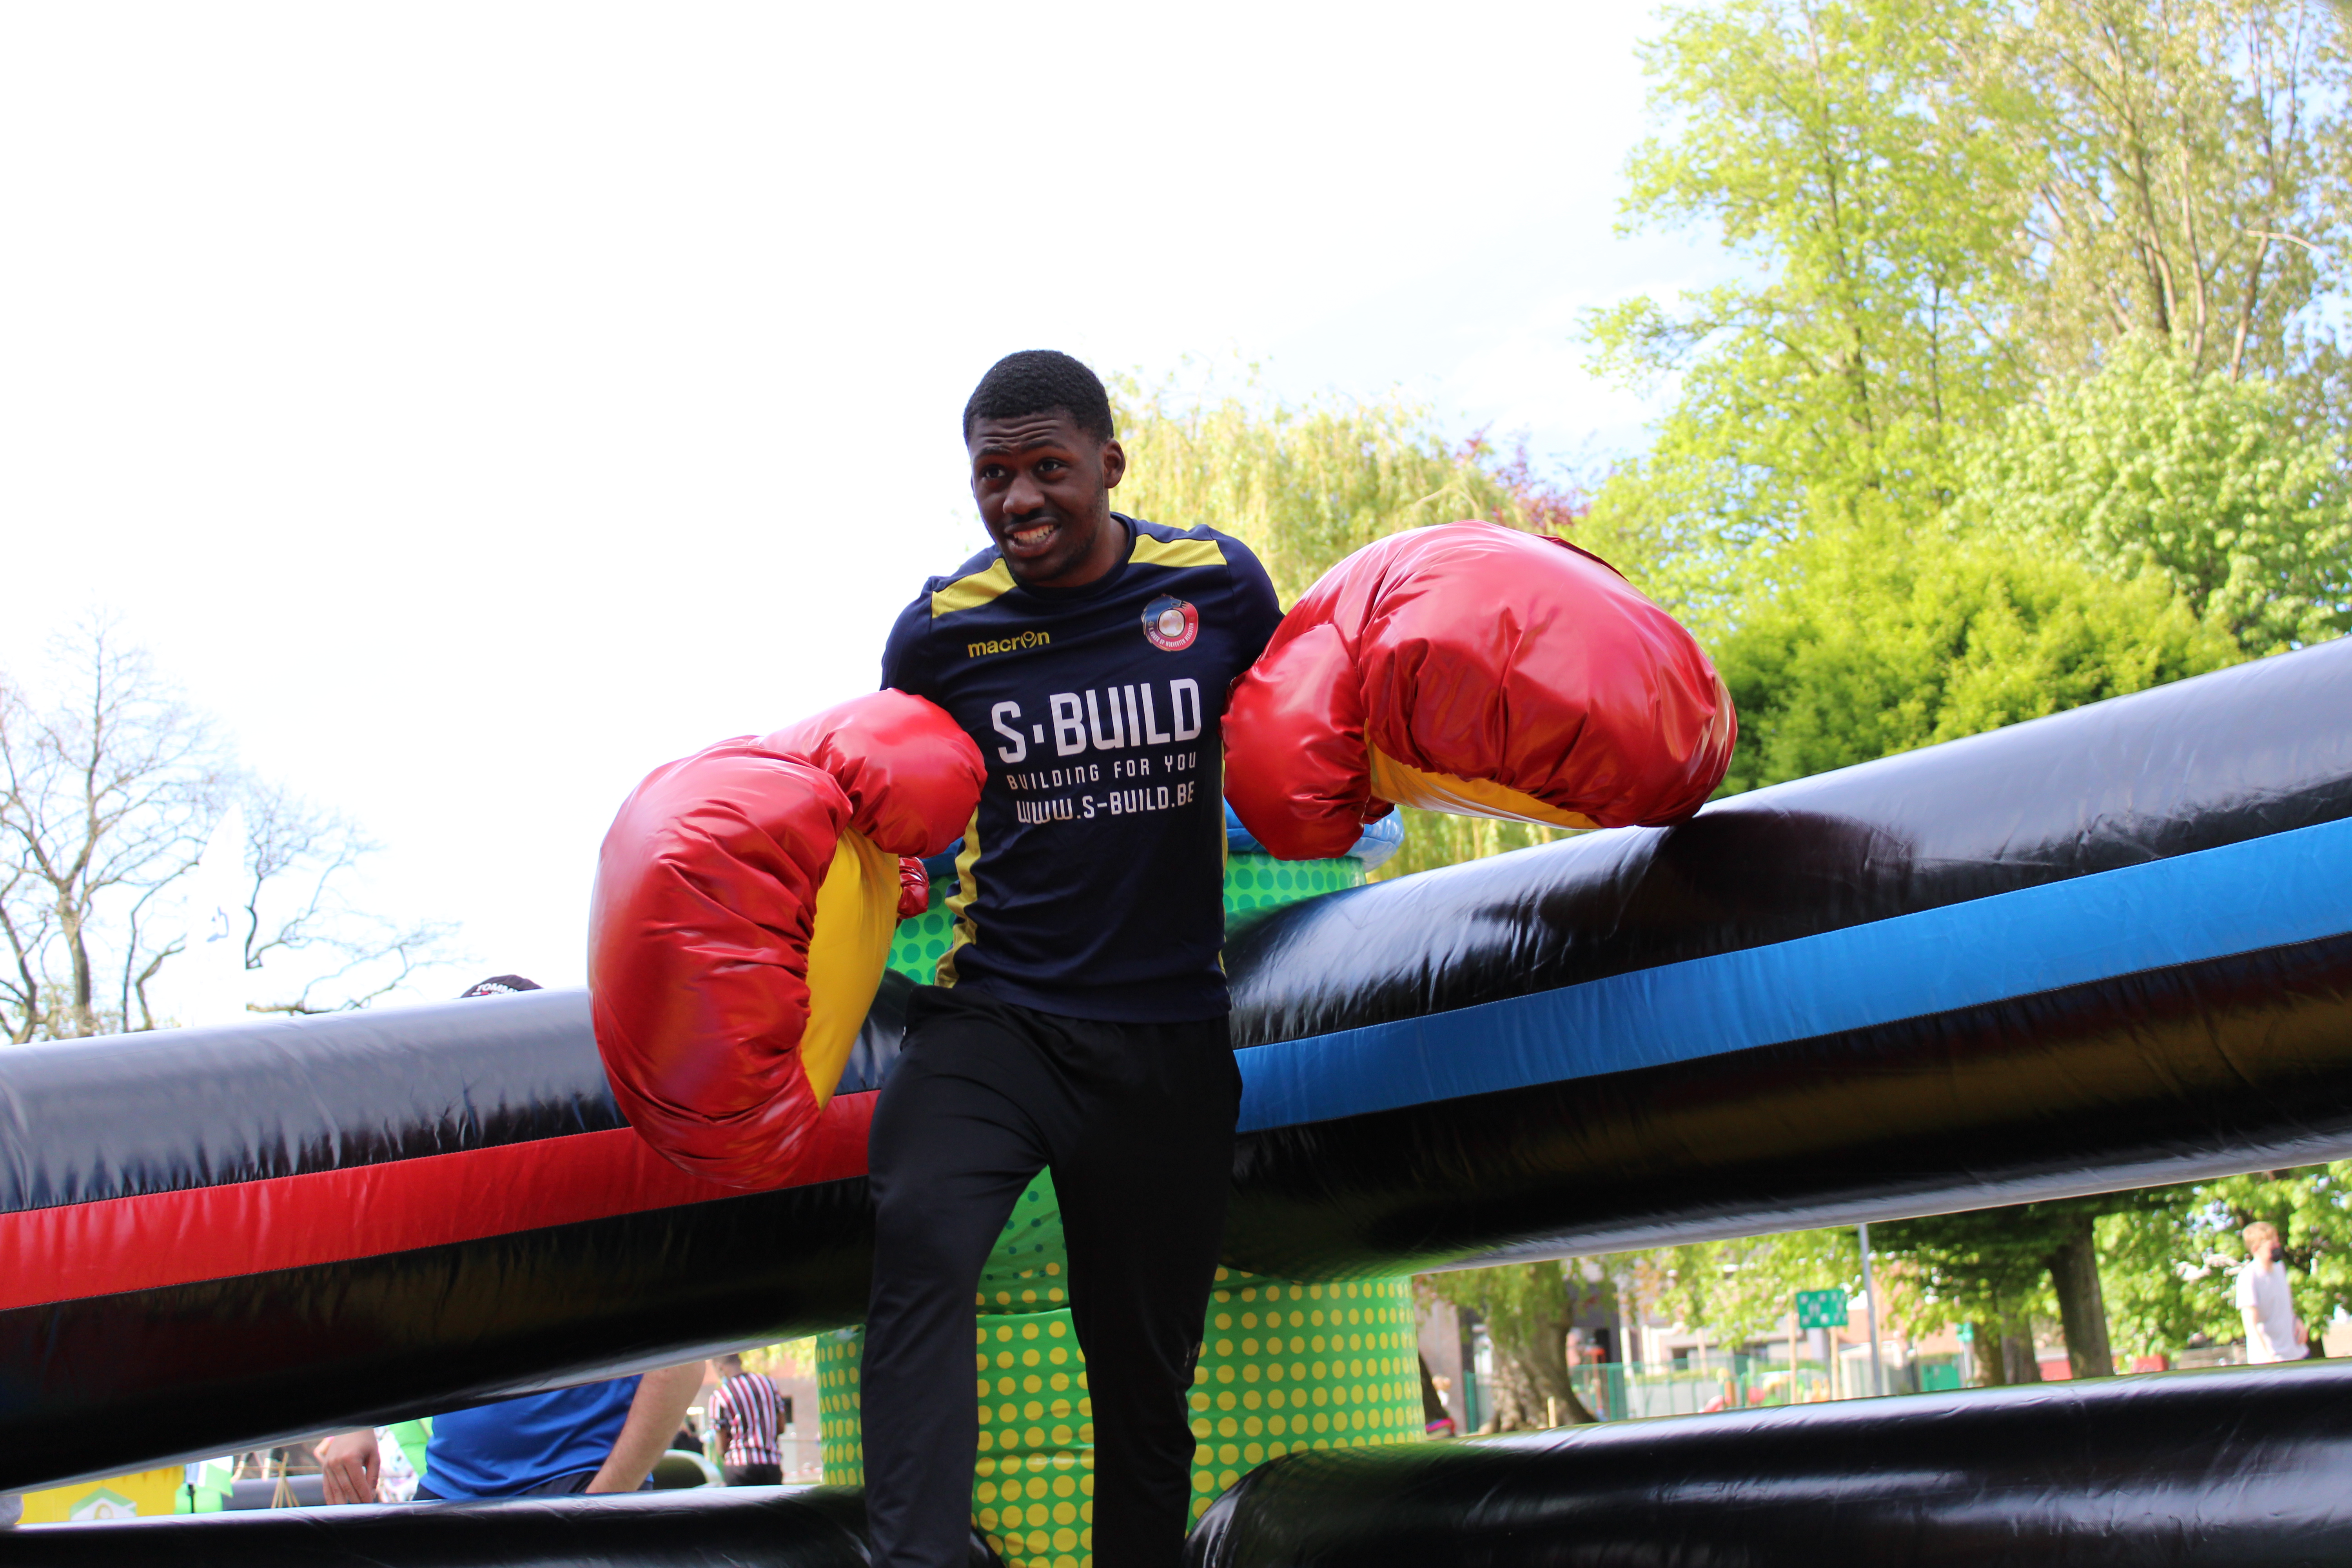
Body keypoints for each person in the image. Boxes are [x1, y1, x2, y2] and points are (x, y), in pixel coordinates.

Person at [864, 350, 1284, 1568]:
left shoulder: (1214, 586)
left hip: (1165, 1035)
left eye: (1048, 469)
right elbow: (898, 809)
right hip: (1000, 1021)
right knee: (922, 1231)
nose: (1020, 501)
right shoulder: (941, 634)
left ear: (1109, 463)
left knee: (1143, 1388)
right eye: (993, 476)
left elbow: (1305, 734)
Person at [315, 975, 708, 1504]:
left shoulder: (606, 1178)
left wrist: (603, 1502)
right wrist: (361, 1418)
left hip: (574, 1488)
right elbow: (391, 1325)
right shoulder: (450, 1201)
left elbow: (681, 1359)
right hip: (451, 1490)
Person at [2236, 1220, 2309, 1365]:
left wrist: (2297, 1320)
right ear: (2257, 1249)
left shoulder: (2279, 1268)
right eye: (2272, 1245)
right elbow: (2250, 1325)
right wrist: (2268, 1361)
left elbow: (2283, 1306)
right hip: (2273, 1360)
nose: (2278, 1247)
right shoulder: (2249, 1277)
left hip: (2297, 1353)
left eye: (2277, 1242)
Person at [706, 1352, 784, 1486]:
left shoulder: (720, 1396)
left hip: (739, 1467)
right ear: (740, 1361)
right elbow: (781, 1426)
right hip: (771, 1464)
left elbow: (721, 1447)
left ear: (719, 1368)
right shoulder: (768, 1383)